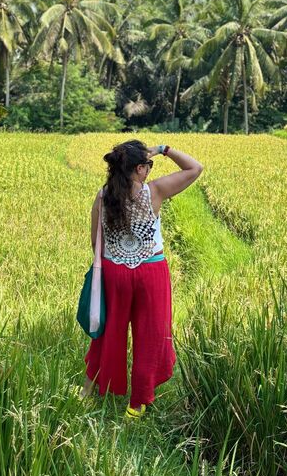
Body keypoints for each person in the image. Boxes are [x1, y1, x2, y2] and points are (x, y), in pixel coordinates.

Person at [79, 140, 203, 419]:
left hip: (114, 272)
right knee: (150, 335)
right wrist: (165, 149)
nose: (150, 169)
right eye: (148, 165)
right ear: (139, 169)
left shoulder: (103, 196)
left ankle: (88, 391)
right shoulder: (154, 192)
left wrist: (115, 266)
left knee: (106, 332)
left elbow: (95, 243)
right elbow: (196, 168)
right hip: (151, 272)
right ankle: (138, 404)